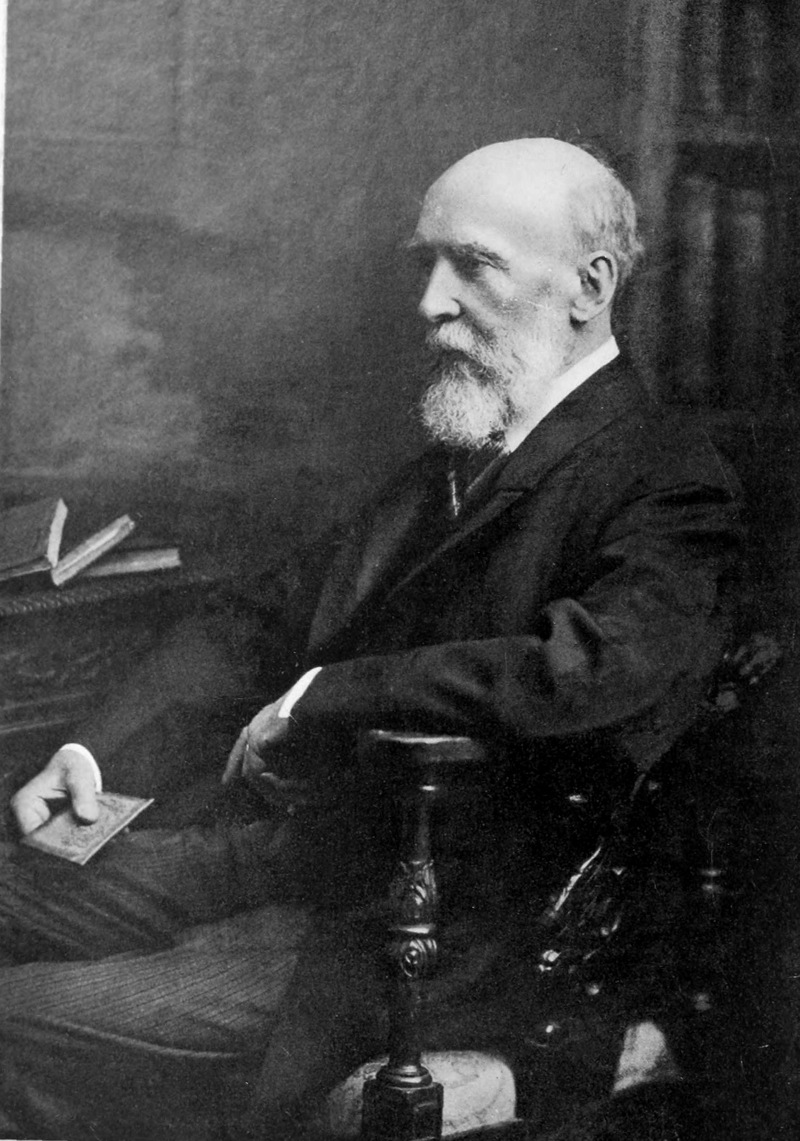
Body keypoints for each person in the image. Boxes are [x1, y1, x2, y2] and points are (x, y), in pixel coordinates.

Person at [0, 138, 743, 1140]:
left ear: (588, 285)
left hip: (433, 932)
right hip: (293, 857)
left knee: (13, 1016)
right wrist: (94, 749)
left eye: (472, 265)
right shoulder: (452, 459)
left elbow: (586, 672)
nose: (430, 302)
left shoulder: (667, 478)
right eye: (424, 264)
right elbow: (258, 618)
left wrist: (322, 698)